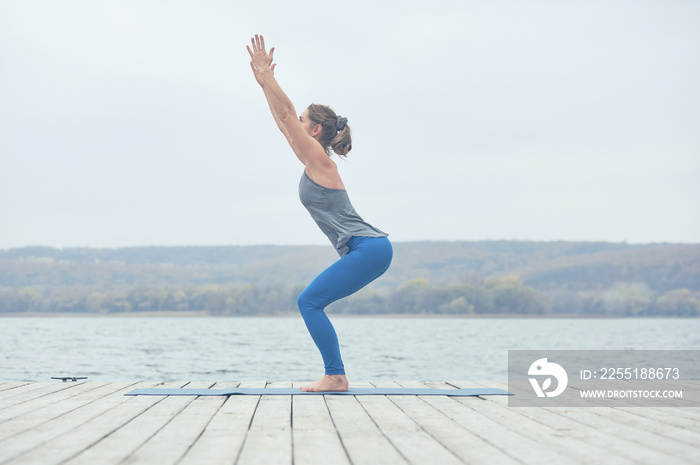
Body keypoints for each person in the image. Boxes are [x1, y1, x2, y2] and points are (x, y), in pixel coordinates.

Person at [247, 34, 393, 392]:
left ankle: (335, 376)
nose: (296, 123)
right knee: (311, 301)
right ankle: (335, 374)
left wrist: (269, 76)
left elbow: (285, 115)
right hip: (368, 249)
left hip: (368, 247)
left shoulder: (319, 159)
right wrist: (264, 85)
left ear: (314, 130)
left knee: (309, 301)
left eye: (303, 120)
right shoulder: (311, 158)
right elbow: (283, 122)